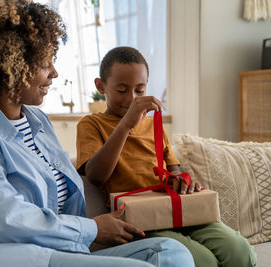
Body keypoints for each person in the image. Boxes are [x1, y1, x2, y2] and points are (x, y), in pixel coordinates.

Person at [0, 1, 195, 266]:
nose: (54, 73)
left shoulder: (38, 123)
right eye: (45, 63)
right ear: (8, 65)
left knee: (171, 253)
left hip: (49, 251)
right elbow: (2, 220)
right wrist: (91, 229)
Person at [76, 46, 257, 267]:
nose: (132, 99)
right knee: (202, 260)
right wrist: (125, 126)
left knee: (240, 251)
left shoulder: (155, 126)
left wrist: (181, 182)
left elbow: (174, 171)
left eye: (140, 91)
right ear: (100, 86)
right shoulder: (91, 124)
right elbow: (95, 176)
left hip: (176, 210)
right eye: (122, 90)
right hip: (140, 219)